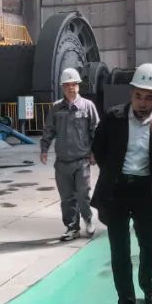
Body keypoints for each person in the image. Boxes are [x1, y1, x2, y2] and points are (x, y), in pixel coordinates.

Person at [91, 63, 152, 304]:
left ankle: (147, 285)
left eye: (149, 97)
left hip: (146, 191)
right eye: (139, 95)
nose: (143, 102)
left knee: (149, 245)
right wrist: (113, 172)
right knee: (120, 251)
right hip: (116, 191)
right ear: (131, 92)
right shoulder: (113, 117)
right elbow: (99, 149)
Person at [41, 67, 101, 241]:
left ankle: (88, 219)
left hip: (82, 160)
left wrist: (95, 152)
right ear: (63, 87)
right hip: (62, 162)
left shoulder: (88, 106)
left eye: (74, 84)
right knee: (67, 198)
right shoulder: (56, 108)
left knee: (82, 194)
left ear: (78, 86)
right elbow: (49, 130)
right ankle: (72, 228)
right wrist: (44, 149)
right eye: (67, 85)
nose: (71, 88)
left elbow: (96, 130)